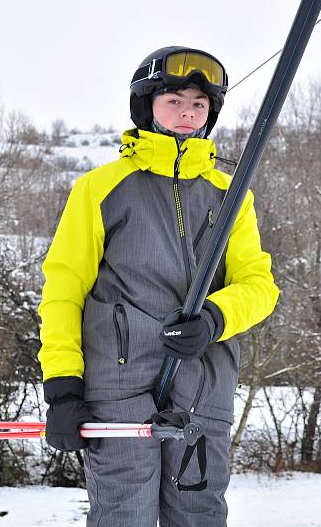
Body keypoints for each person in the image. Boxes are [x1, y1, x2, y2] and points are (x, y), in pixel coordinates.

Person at [38, 46, 279, 526]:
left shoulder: (233, 196)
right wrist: (62, 389)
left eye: (198, 103)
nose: (187, 112)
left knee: (198, 515)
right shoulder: (100, 189)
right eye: (174, 99)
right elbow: (64, 289)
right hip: (117, 390)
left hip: (203, 387)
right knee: (123, 515)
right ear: (146, 105)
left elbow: (259, 285)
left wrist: (215, 318)